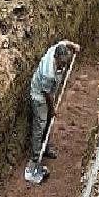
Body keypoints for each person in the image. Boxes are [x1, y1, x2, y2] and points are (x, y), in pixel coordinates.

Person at [25, 39, 81, 183]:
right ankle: (36, 157)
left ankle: (46, 147)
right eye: (62, 64)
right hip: (40, 97)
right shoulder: (47, 73)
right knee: (41, 124)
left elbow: (63, 42)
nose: (64, 66)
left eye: (66, 63)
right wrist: (53, 109)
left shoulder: (57, 49)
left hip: (49, 94)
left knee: (49, 122)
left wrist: (73, 46)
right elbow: (47, 95)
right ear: (56, 58)